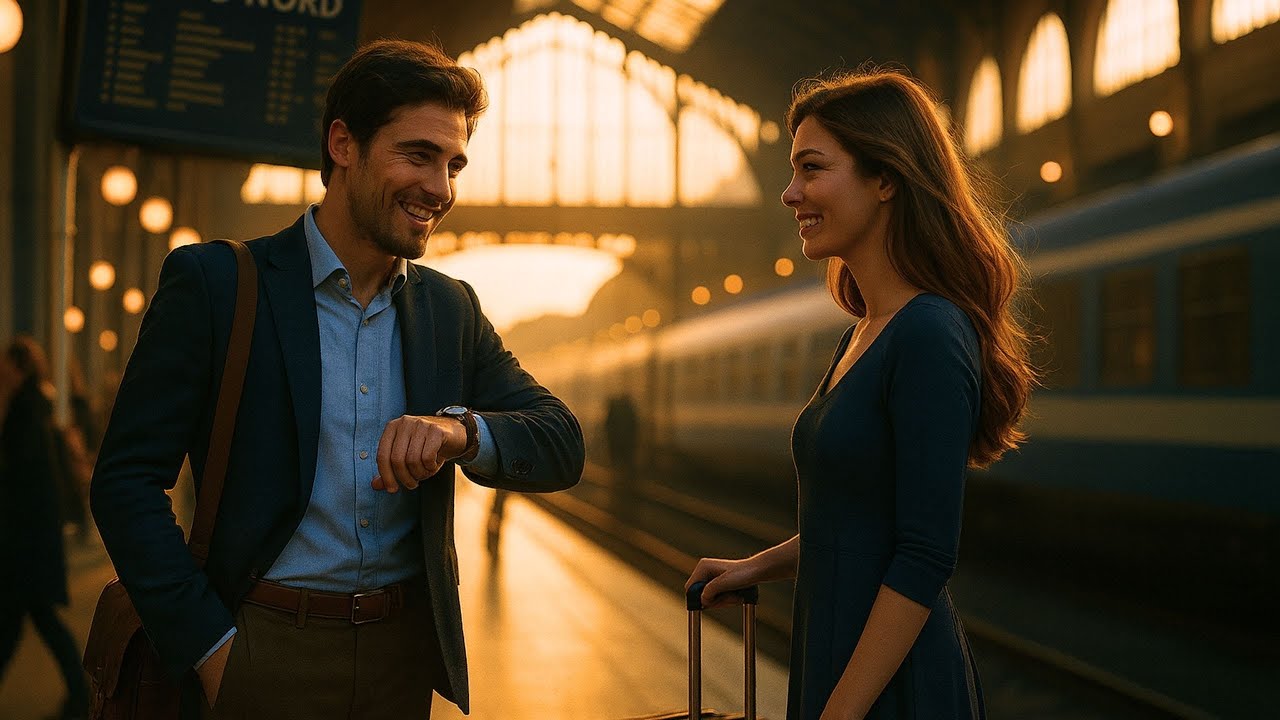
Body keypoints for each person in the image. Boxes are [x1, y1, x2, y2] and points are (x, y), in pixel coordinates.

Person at [90, 39, 585, 719]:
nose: (440, 189)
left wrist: (460, 432)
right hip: (256, 647)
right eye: (417, 155)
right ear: (343, 145)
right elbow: (125, 481)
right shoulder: (216, 286)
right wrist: (210, 650)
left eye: (453, 164)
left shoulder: (451, 309)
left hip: (400, 662)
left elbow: (561, 442)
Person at [686, 69, 1035, 720]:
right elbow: (856, 517)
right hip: (840, 660)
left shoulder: (930, 331)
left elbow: (924, 553)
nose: (791, 194)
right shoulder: (864, 335)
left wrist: (838, 713)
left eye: (811, 168)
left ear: (886, 179)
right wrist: (754, 567)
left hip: (892, 690)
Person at [0, 336, 90, 719]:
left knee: (18, 623)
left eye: (5, 365)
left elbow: (16, 483)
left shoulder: (24, 413)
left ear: (18, 368)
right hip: (32, 545)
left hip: (25, 547)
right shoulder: (35, 409)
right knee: (27, 623)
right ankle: (80, 695)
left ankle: (81, 696)